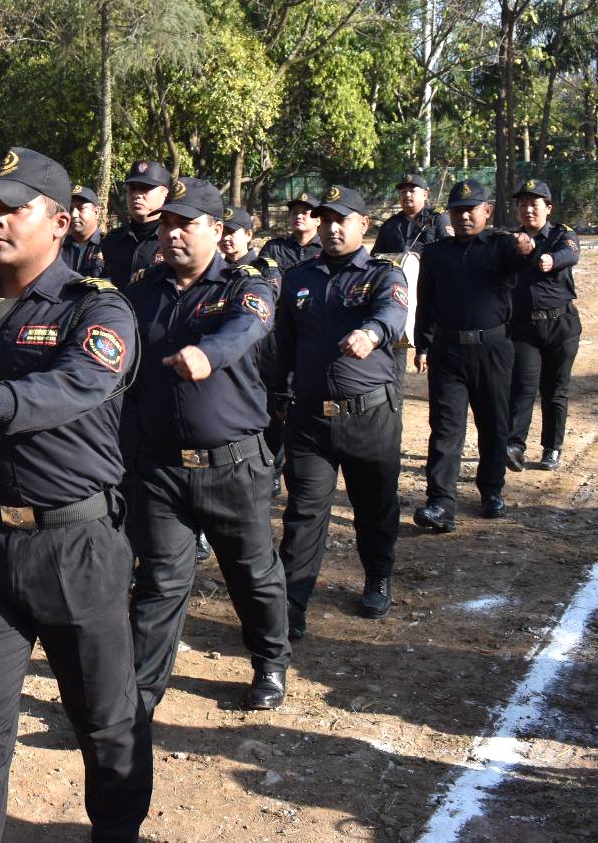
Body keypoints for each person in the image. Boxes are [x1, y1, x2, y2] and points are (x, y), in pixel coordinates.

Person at [0, 146, 151, 842]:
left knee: (105, 720)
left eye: (11, 208)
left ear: (60, 222)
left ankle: (117, 832)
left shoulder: (96, 308)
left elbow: (77, 384)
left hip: (73, 545)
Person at [123, 178, 290, 714]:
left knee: (252, 574)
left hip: (233, 466)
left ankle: (270, 662)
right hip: (159, 470)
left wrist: (209, 354)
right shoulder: (141, 291)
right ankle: (139, 695)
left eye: (186, 224)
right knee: (159, 582)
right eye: (166, 224)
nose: (172, 234)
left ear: (217, 230)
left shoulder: (245, 286)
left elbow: (249, 326)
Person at [272, 186, 409, 637]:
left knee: (375, 506)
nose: (332, 228)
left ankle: (378, 577)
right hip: (310, 421)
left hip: (369, 417)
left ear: (363, 224)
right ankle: (292, 604)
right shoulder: (299, 278)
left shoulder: (383, 275)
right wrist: (277, 394)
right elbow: (285, 345)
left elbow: (392, 314)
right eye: (326, 219)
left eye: (341, 220)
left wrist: (371, 334)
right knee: (304, 514)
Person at [412, 180, 534, 532]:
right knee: (445, 428)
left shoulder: (501, 246)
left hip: (492, 349)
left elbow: (522, 256)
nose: (464, 216)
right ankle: (440, 503)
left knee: (493, 425)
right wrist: (422, 345)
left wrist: (526, 247)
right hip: (447, 352)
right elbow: (425, 302)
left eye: (471, 210)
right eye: (457, 210)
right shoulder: (436, 253)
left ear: (487, 211)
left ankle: (491, 491)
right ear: (449, 215)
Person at [505, 180, 581, 472]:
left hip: (561, 326)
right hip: (524, 328)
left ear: (548, 208)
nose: (527, 210)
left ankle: (552, 447)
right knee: (522, 387)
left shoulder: (562, 235)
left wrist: (551, 258)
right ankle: (514, 446)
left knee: (555, 390)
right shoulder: (511, 241)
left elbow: (571, 253)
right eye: (522, 204)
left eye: (533, 204)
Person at [221, 206, 285, 500]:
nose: (227, 238)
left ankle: (272, 469)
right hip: (227, 353)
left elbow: (269, 301)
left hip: (264, 349)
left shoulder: (264, 268)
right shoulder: (215, 269)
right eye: (223, 232)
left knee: (270, 411)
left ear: (248, 234)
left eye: (233, 232)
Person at [99, 159, 170, 290]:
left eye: (145, 188)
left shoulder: (172, 240)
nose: (136, 195)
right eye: (132, 188)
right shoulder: (112, 239)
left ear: (164, 193)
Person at [371, 173, 452, 254]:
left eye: (412, 191)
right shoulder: (390, 224)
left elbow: (450, 252)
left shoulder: (437, 219)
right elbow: (376, 255)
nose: (407, 195)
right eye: (403, 191)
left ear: (425, 195)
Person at [261, 193, 323, 272]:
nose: (298, 216)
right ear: (289, 218)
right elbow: (260, 276)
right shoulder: (274, 248)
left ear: (318, 221)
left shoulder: (327, 248)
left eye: (305, 213)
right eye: (294, 213)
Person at [61, 184, 106, 278]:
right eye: (70, 209)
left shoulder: (108, 245)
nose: (73, 214)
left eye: (81, 208)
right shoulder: (58, 247)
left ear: (96, 212)